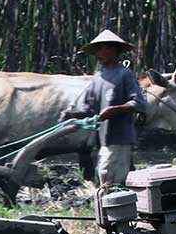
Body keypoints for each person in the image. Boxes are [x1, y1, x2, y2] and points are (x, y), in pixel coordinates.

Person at [62, 30, 146, 186]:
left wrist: (113, 110)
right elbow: (88, 110)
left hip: (120, 139)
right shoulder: (98, 77)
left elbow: (139, 103)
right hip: (102, 140)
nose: (98, 53)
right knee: (105, 178)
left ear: (114, 50)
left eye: (102, 48)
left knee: (109, 178)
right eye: (97, 49)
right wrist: (73, 115)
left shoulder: (125, 74)